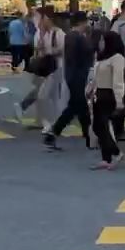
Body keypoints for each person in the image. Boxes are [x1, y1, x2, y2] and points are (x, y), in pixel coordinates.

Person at [43, 13, 95, 150]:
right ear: (82, 22)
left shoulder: (71, 36)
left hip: (74, 75)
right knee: (76, 107)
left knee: (78, 106)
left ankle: (88, 135)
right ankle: (55, 133)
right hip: (77, 76)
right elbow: (85, 53)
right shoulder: (76, 37)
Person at [15, 10, 63, 128]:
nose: (38, 21)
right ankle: (42, 119)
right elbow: (37, 49)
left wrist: (47, 51)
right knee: (46, 94)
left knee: (46, 94)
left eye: (42, 18)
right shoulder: (39, 34)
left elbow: (62, 49)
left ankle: (42, 118)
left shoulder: (58, 33)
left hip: (55, 67)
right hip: (43, 68)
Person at [87, 31, 125, 170]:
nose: (100, 43)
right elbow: (95, 76)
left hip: (109, 95)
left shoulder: (117, 58)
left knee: (102, 126)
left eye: (103, 40)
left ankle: (116, 153)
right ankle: (106, 158)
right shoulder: (101, 57)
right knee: (98, 126)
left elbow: (118, 81)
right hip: (99, 93)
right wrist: (90, 89)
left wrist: (119, 100)